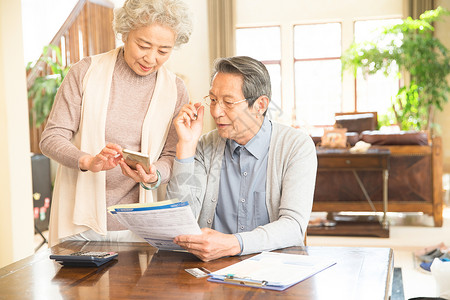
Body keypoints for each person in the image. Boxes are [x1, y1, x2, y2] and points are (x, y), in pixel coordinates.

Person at [40, 0, 193, 247]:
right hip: (80, 222)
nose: (151, 58)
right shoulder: (85, 72)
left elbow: (172, 155)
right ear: (124, 33)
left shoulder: (175, 89)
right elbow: (51, 138)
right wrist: (88, 161)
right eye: (143, 45)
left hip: (141, 225)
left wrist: (154, 175)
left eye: (164, 51)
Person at [166, 56, 317, 261]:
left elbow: (293, 226)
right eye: (212, 100)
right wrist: (185, 146)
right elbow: (178, 222)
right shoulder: (204, 145)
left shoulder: (296, 146)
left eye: (228, 102)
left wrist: (234, 244)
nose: (216, 112)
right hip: (211, 270)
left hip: (274, 268)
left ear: (260, 105)